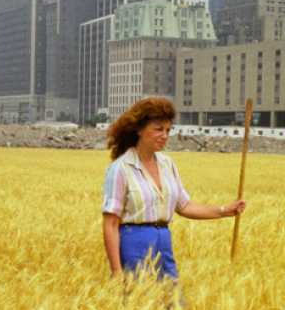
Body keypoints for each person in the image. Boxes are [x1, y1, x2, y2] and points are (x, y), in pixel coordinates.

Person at [101, 97, 246, 284]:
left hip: (164, 241)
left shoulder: (167, 164)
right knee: (138, 298)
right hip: (134, 242)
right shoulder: (121, 169)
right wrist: (116, 271)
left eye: (168, 130)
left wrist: (225, 210)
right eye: (158, 129)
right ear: (139, 129)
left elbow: (184, 206)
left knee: (172, 298)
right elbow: (111, 223)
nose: (164, 135)